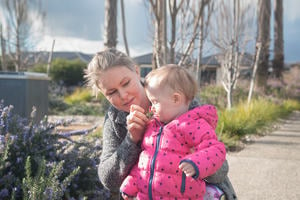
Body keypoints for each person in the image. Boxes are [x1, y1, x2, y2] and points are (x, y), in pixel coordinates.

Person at [84, 48, 236, 200]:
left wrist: (188, 155)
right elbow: (108, 180)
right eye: (111, 93)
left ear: (137, 72)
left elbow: (220, 171)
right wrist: (131, 140)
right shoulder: (114, 118)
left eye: (126, 83)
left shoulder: (177, 99)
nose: (123, 95)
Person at [120, 65, 226, 200]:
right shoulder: (153, 127)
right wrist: (131, 184)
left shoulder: (193, 125)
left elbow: (216, 149)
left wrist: (196, 163)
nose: (151, 108)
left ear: (176, 99)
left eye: (155, 102)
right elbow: (145, 160)